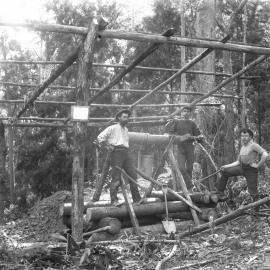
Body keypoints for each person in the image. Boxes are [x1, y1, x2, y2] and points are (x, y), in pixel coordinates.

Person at [97, 109, 141, 205]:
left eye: (127, 117)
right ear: (119, 118)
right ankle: (114, 201)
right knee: (116, 177)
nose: (126, 119)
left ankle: (137, 199)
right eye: (124, 117)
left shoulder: (126, 130)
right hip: (116, 153)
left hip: (126, 152)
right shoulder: (112, 128)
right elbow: (100, 137)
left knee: (133, 175)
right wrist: (108, 145)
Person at [217, 128, 268, 200]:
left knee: (253, 193)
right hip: (241, 168)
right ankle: (220, 193)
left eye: (246, 136)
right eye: (242, 136)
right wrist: (226, 166)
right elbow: (238, 162)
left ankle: (256, 210)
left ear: (250, 137)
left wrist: (258, 165)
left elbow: (265, 155)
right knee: (225, 172)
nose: (243, 138)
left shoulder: (254, 145)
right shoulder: (243, 147)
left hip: (251, 171)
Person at [165, 106, 203, 191]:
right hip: (180, 148)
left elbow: (199, 135)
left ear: (190, 113)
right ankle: (190, 185)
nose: (186, 113)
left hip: (190, 148)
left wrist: (193, 137)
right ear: (181, 113)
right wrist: (181, 137)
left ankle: (187, 189)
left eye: (188, 111)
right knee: (181, 168)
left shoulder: (192, 123)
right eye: (184, 111)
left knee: (189, 168)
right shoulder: (177, 122)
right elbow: (171, 134)